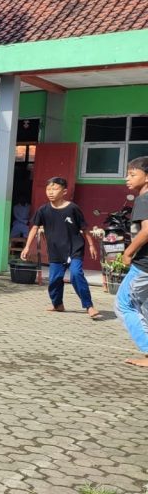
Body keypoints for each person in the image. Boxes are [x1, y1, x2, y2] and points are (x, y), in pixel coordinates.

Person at [21, 177, 100, 319]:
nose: (50, 192)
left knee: (76, 274)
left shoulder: (73, 208)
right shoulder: (43, 210)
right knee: (54, 280)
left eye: (55, 189)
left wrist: (91, 245)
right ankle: (58, 304)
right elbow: (34, 228)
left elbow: (84, 228)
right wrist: (27, 247)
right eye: (48, 189)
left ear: (64, 191)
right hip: (56, 250)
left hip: (74, 248)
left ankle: (89, 306)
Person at [114, 156, 148, 367]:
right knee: (144, 306)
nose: (127, 178)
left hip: (143, 265)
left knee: (123, 304)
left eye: (133, 174)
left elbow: (147, 230)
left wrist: (128, 252)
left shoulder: (144, 199)